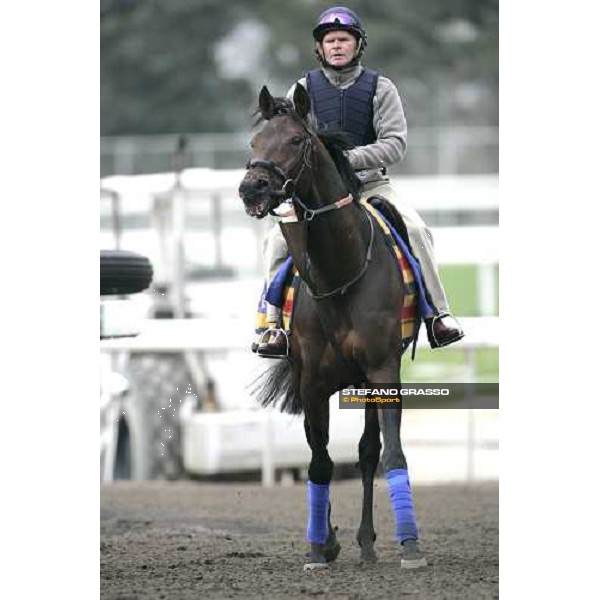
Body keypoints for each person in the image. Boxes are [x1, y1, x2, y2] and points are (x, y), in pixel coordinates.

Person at [256, 5, 464, 357]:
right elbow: (285, 136)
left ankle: (438, 315)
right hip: (316, 195)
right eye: (330, 41)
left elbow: (394, 145)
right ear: (320, 48)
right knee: (276, 242)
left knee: (415, 230)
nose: (337, 46)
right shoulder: (302, 89)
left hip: (370, 187)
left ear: (358, 45)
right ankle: (272, 326)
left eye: (344, 40)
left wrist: (344, 160)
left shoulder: (381, 88)